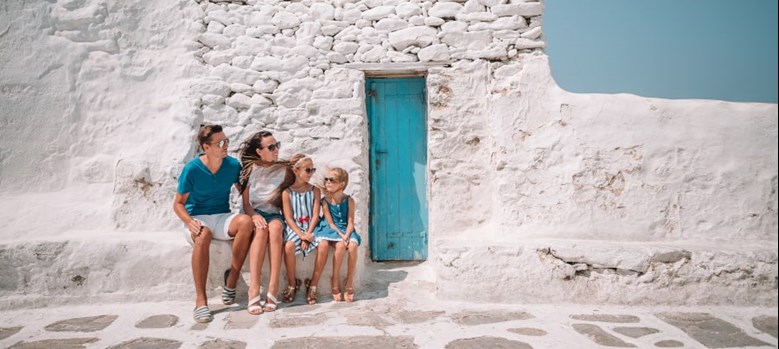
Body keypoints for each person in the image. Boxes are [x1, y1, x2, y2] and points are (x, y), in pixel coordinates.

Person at [173, 124, 254, 323]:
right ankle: (201, 301)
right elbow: (178, 204)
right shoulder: (192, 169)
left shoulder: (233, 165)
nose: (225, 145)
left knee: (245, 222)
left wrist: (248, 207)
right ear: (206, 147)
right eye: (220, 143)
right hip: (197, 218)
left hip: (221, 216)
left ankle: (232, 279)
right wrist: (190, 222)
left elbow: (244, 187)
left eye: (226, 141)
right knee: (204, 234)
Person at [238, 131, 294, 314]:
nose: (276, 149)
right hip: (254, 213)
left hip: (273, 214)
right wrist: (253, 215)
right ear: (259, 151)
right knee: (261, 231)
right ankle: (254, 288)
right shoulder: (248, 170)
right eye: (271, 147)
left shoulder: (284, 169)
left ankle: (273, 287)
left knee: (276, 228)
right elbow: (246, 203)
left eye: (277, 145)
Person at [313, 167, 361, 303]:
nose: (327, 182)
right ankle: (334, 280)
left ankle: (349, 281)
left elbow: (351, 221)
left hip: (346, 229)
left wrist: (347, 235)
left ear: (341, 184)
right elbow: (330, 223)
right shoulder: (325, 201)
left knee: (352, 246)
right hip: (331, 229)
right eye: (326, 179)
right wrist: (341, 236)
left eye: (331, 180)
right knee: (340, 246)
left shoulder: (349, 200)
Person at [280, 154, 321, 303]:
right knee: (289, 246)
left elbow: (316, 215)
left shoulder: (315, 191)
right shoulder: (286, 192)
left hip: (312, 227)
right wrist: (301, 235)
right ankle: (292, 283)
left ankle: (313, 285)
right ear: (296, 170)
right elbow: (288, 217)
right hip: (295, 228)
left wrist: (308, 234)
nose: (311, 174)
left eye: (312, 170)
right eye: (307, 170)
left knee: (322, 245)